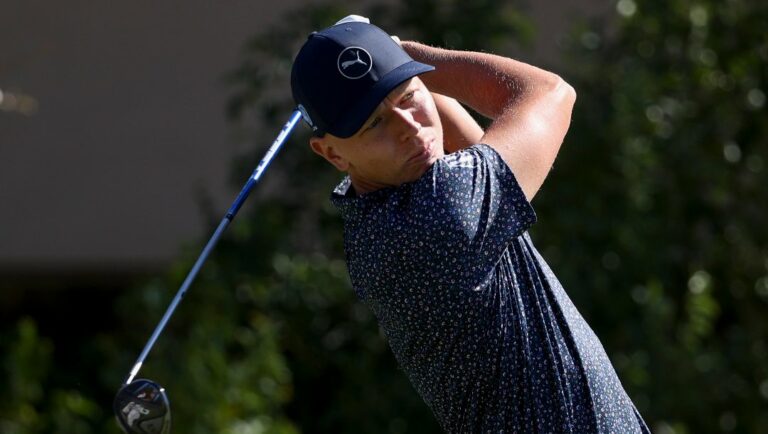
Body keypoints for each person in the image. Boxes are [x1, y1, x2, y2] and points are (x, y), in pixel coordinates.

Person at [290, 16, 650, 433]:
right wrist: (410, 54)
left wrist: (389, 62)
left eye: (408, 97)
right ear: (332, 154)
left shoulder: (379, 212)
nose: (409, 128)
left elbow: (470, 147)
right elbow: (551, 93)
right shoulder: (440, 214)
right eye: (374, 124)